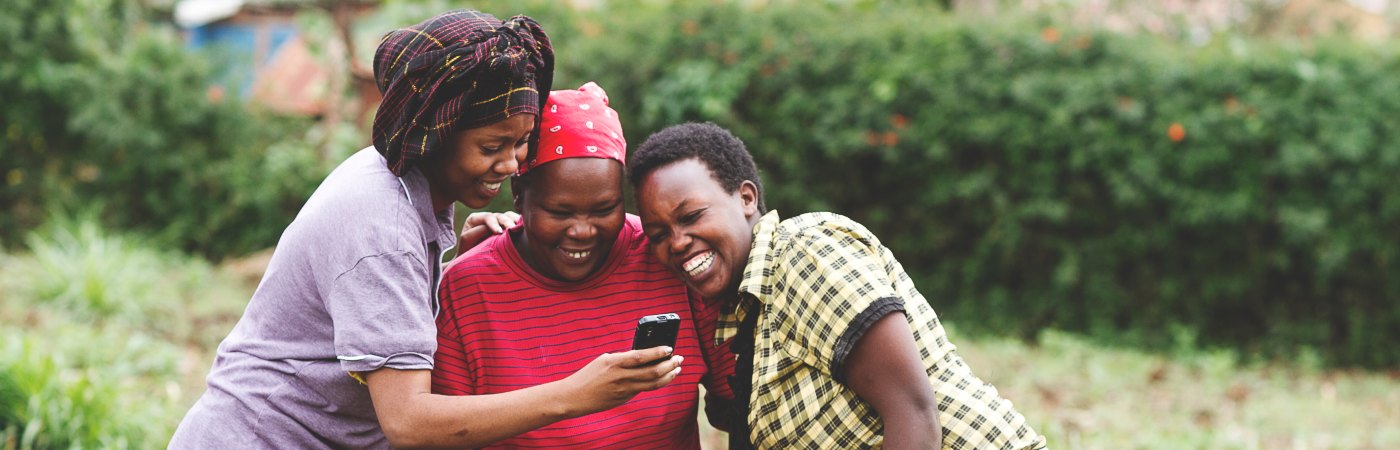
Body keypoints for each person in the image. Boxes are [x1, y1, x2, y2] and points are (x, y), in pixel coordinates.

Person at [171, 11, 677, 449]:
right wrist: (577, 394)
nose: (510, 164)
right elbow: (410, 423)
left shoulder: (406, 187)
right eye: (490, 146)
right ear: (436, 133)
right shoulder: (380, 221)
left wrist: (441, 275)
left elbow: (375, 313)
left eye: (521, 142)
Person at [629, 123, 1048, 450]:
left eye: (691, 216)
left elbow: (913, 413)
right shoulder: (746, 314)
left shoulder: (804, 251)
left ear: (746, 199)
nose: (678, 242)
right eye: (659, 233)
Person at [430, 82, 729, 448]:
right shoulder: (467, 288)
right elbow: (441, 433)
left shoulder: (665, 256)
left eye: (605, 209)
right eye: (560, 212)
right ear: (519, 196)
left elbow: (733, 400)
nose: (583, 231)